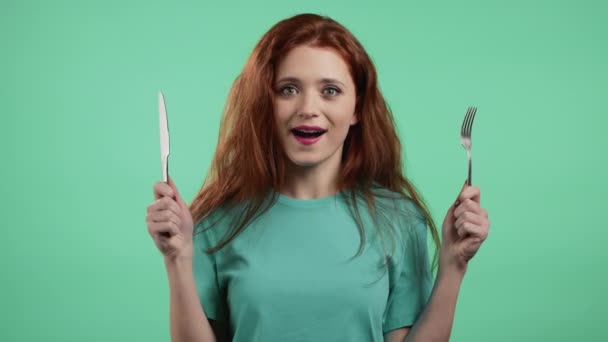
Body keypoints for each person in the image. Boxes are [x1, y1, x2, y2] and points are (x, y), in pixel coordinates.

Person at [145, 13, 490, 342]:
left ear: (357, 108)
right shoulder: (214, 224)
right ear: (265, 103)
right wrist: (177, 259)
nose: (308, 108)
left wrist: (453, 265)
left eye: (330, 91)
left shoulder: (400, 221)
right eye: (288, 89)